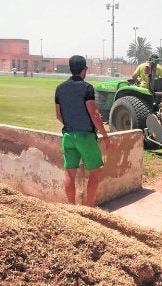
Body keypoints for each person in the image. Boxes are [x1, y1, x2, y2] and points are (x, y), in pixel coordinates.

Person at [55, 55, 112, 207]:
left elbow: (58, 116)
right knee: (95, 171)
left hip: (68, 135)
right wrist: (105, 136)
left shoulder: (60, 89)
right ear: (84, 70)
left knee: (69, 172)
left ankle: (72, 208)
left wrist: (72, 124)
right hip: (85, 136)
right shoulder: (87, 88)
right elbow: (94, 114)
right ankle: (89, 208)